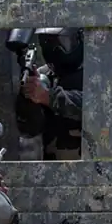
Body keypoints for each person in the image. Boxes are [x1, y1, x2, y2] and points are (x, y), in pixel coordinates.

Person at [15, 27, 84, 161]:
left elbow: (94, 107)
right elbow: (29, 129)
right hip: (54, 169)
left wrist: (48, 97)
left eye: (61, 43)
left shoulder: (95, 72)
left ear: (78, 40)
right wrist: (28, 97)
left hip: (93, 168)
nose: (55, 50)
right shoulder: (43, 76)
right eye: (48, 44)